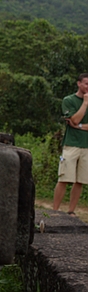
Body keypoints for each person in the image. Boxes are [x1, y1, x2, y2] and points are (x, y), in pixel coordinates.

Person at [53, 73, 88, 215]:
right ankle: (55, 211)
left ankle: (71, 211)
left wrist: (79, 126)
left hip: (86, 145)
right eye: (86, 83)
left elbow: (75, 123)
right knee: (65, 178)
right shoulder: (69, 100)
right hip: (71, 144)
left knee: (80, 180)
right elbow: (74, 119)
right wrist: (85, 103)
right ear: (79, 83)